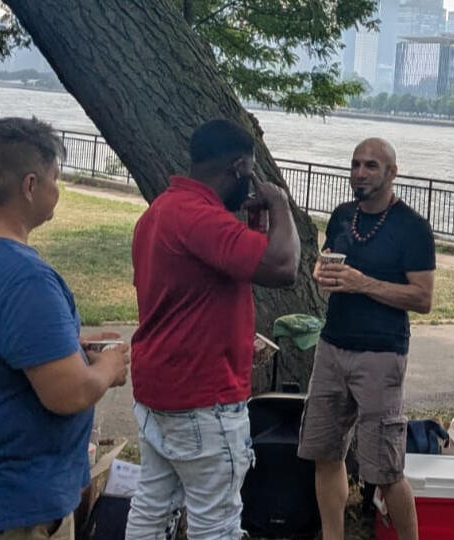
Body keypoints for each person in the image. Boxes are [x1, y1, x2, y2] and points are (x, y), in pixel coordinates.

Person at [125, 119, 300, 540]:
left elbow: (200, 287)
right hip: (203, 397)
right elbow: (284, 267)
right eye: (250, 173)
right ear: (239, 167)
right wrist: (279, 205)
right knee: (216, 522)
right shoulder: (201, 218)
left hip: (159, 390)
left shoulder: (162, 210)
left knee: (152, 506)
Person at [0, 117, 129, 539]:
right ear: (31, 186)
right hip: (12, 511)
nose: (58, 189)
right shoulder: (25, 279)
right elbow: (69, 393)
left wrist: (63, 348)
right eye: (56, 179)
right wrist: (108, 368)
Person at [298, 138, 434, 540]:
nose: (360, 173)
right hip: (331, 348)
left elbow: (423, 298)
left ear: (392, 173)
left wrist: (363, 283)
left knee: (386, 470)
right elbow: (326, 263)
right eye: (355, 164)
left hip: (381, 355)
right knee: (325, 454)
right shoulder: (343, 216)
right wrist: (320, 273)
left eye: (371, 166)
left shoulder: (412, 228)